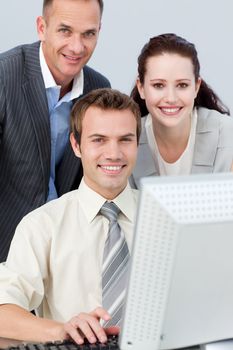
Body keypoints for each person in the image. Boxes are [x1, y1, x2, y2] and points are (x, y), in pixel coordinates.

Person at [0, 88, 141, 344]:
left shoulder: (167, 218)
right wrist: (61, 331)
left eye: (125, 139)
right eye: (98, 139)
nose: (114, 153)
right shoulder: (42, 225)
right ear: (76, 145)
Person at [0, 0, 110, 262]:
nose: (76, 46)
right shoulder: (5, 77)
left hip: (67, 252)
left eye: (88, 34)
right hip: (7, 247)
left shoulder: (98, 88)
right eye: (65, 31)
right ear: (42, 27)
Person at [130, 33, 233, 188]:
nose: (171, 98)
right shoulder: (127, 138)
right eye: (158, 85)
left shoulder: (227, 133)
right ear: (141, 88)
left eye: (182, 85)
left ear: (196, 87)